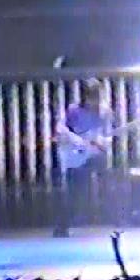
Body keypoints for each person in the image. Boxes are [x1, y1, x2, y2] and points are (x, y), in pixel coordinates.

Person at [53, 81, 108, 237]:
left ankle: (114, 215)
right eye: (93, 97)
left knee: (109, 175)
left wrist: (101, 142)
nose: (96, 101)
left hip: (91, 154)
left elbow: (103, 134)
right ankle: (62, 226)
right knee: (75, 192)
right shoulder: (73, 110)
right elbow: (61, 129)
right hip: (75, 155)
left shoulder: (103, 112)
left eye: (98, 97)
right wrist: (77, 140)